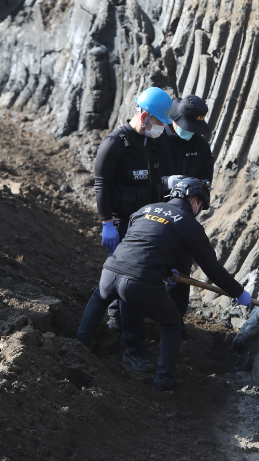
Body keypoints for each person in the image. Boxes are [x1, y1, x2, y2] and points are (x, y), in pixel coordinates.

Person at [77, 178, 251, 391]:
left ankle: (78, 347)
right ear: (193, 200)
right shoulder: (189, 225)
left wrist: (167, 270)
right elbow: (212, 269)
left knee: (100, 299)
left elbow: (144, 242)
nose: (199, 211)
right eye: (201, 207)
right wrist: (238, 292)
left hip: (110, 271)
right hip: (139, 281)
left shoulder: (146, 209)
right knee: (171, 323)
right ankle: (164, 382)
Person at [93, 86, 173, 332]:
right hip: (122, 222)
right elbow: (101, 185)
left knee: (138, 276)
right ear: (145, 115)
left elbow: (158, 180)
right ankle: (117, 327)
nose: (161, 127)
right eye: (159, 121)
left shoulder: (155, 145)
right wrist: (107, 223)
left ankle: (125, 322)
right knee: (120, 276)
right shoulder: (114, 145)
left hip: (147, 222)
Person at [160, 95, 215, 323]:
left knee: (180, 271)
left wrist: (197, 191)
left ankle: (174, 322)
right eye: (187, 126)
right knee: (143, 267)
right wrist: (166, 182)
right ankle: (126, 322)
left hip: (183, 218)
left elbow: (206, 179)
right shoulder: (157, 139)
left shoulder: (200, 145)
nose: (190, 131)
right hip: (152, 212)